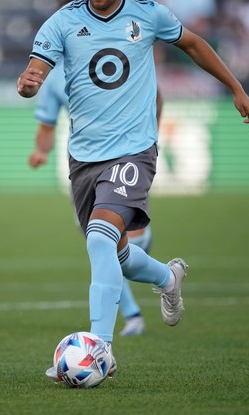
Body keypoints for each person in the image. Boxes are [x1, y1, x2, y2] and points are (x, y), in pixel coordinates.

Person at [16, 0, 249, 380]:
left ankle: (98, 349)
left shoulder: (148, 15)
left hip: (133, 151)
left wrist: (236, 88)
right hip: (83, 159)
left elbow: (196, 45)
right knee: (119, 253)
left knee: (99, 237)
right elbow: (37, 70)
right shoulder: (63, 22)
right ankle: (168, 278)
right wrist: (30, 82)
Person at [28, 27, 165, 339]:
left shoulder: (116, 55)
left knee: (115, 240)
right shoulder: (56, 78)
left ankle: (105, 338)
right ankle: (146, 300)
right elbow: (47, 125)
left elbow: (155, 95)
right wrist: (40, 151)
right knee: (106, 245)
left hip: (128, 156)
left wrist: (149, 133)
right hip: (85, 166)